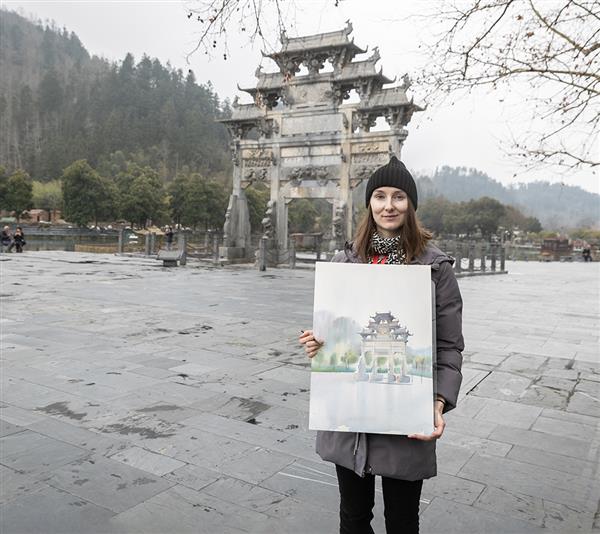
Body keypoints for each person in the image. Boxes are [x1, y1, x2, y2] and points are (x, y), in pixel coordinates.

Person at [299, 156, 464, 534]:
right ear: (369, 203)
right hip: (349, 416)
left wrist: (438, 400)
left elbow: (449, 346)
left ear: (411, 205)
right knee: (353, 518)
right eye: (379, 196)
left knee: (402, 522)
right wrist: (318, 345)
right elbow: (336, 334)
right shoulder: (345, 261)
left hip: (407, 414)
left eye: (399, 197)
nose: (389, 205)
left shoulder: (435, 269)